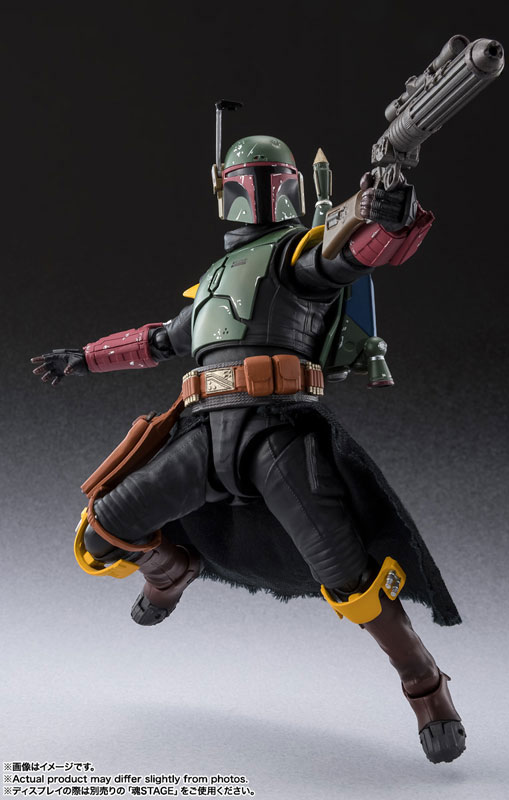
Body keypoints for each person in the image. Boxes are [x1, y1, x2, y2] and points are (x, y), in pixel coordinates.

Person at [32, 134, 466, 763]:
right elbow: (157, 341)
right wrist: (84, 356)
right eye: (244, 183)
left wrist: (389, 215)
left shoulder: (297, 253)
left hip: (278, 431)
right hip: (205, 432)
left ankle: (423, 680)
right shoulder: (212, 280)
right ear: (224, 190)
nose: (256, 195)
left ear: (288, 188)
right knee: (102, 531)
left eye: (269, 182)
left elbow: (352, 255)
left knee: (345, 571)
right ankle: (168, 571)